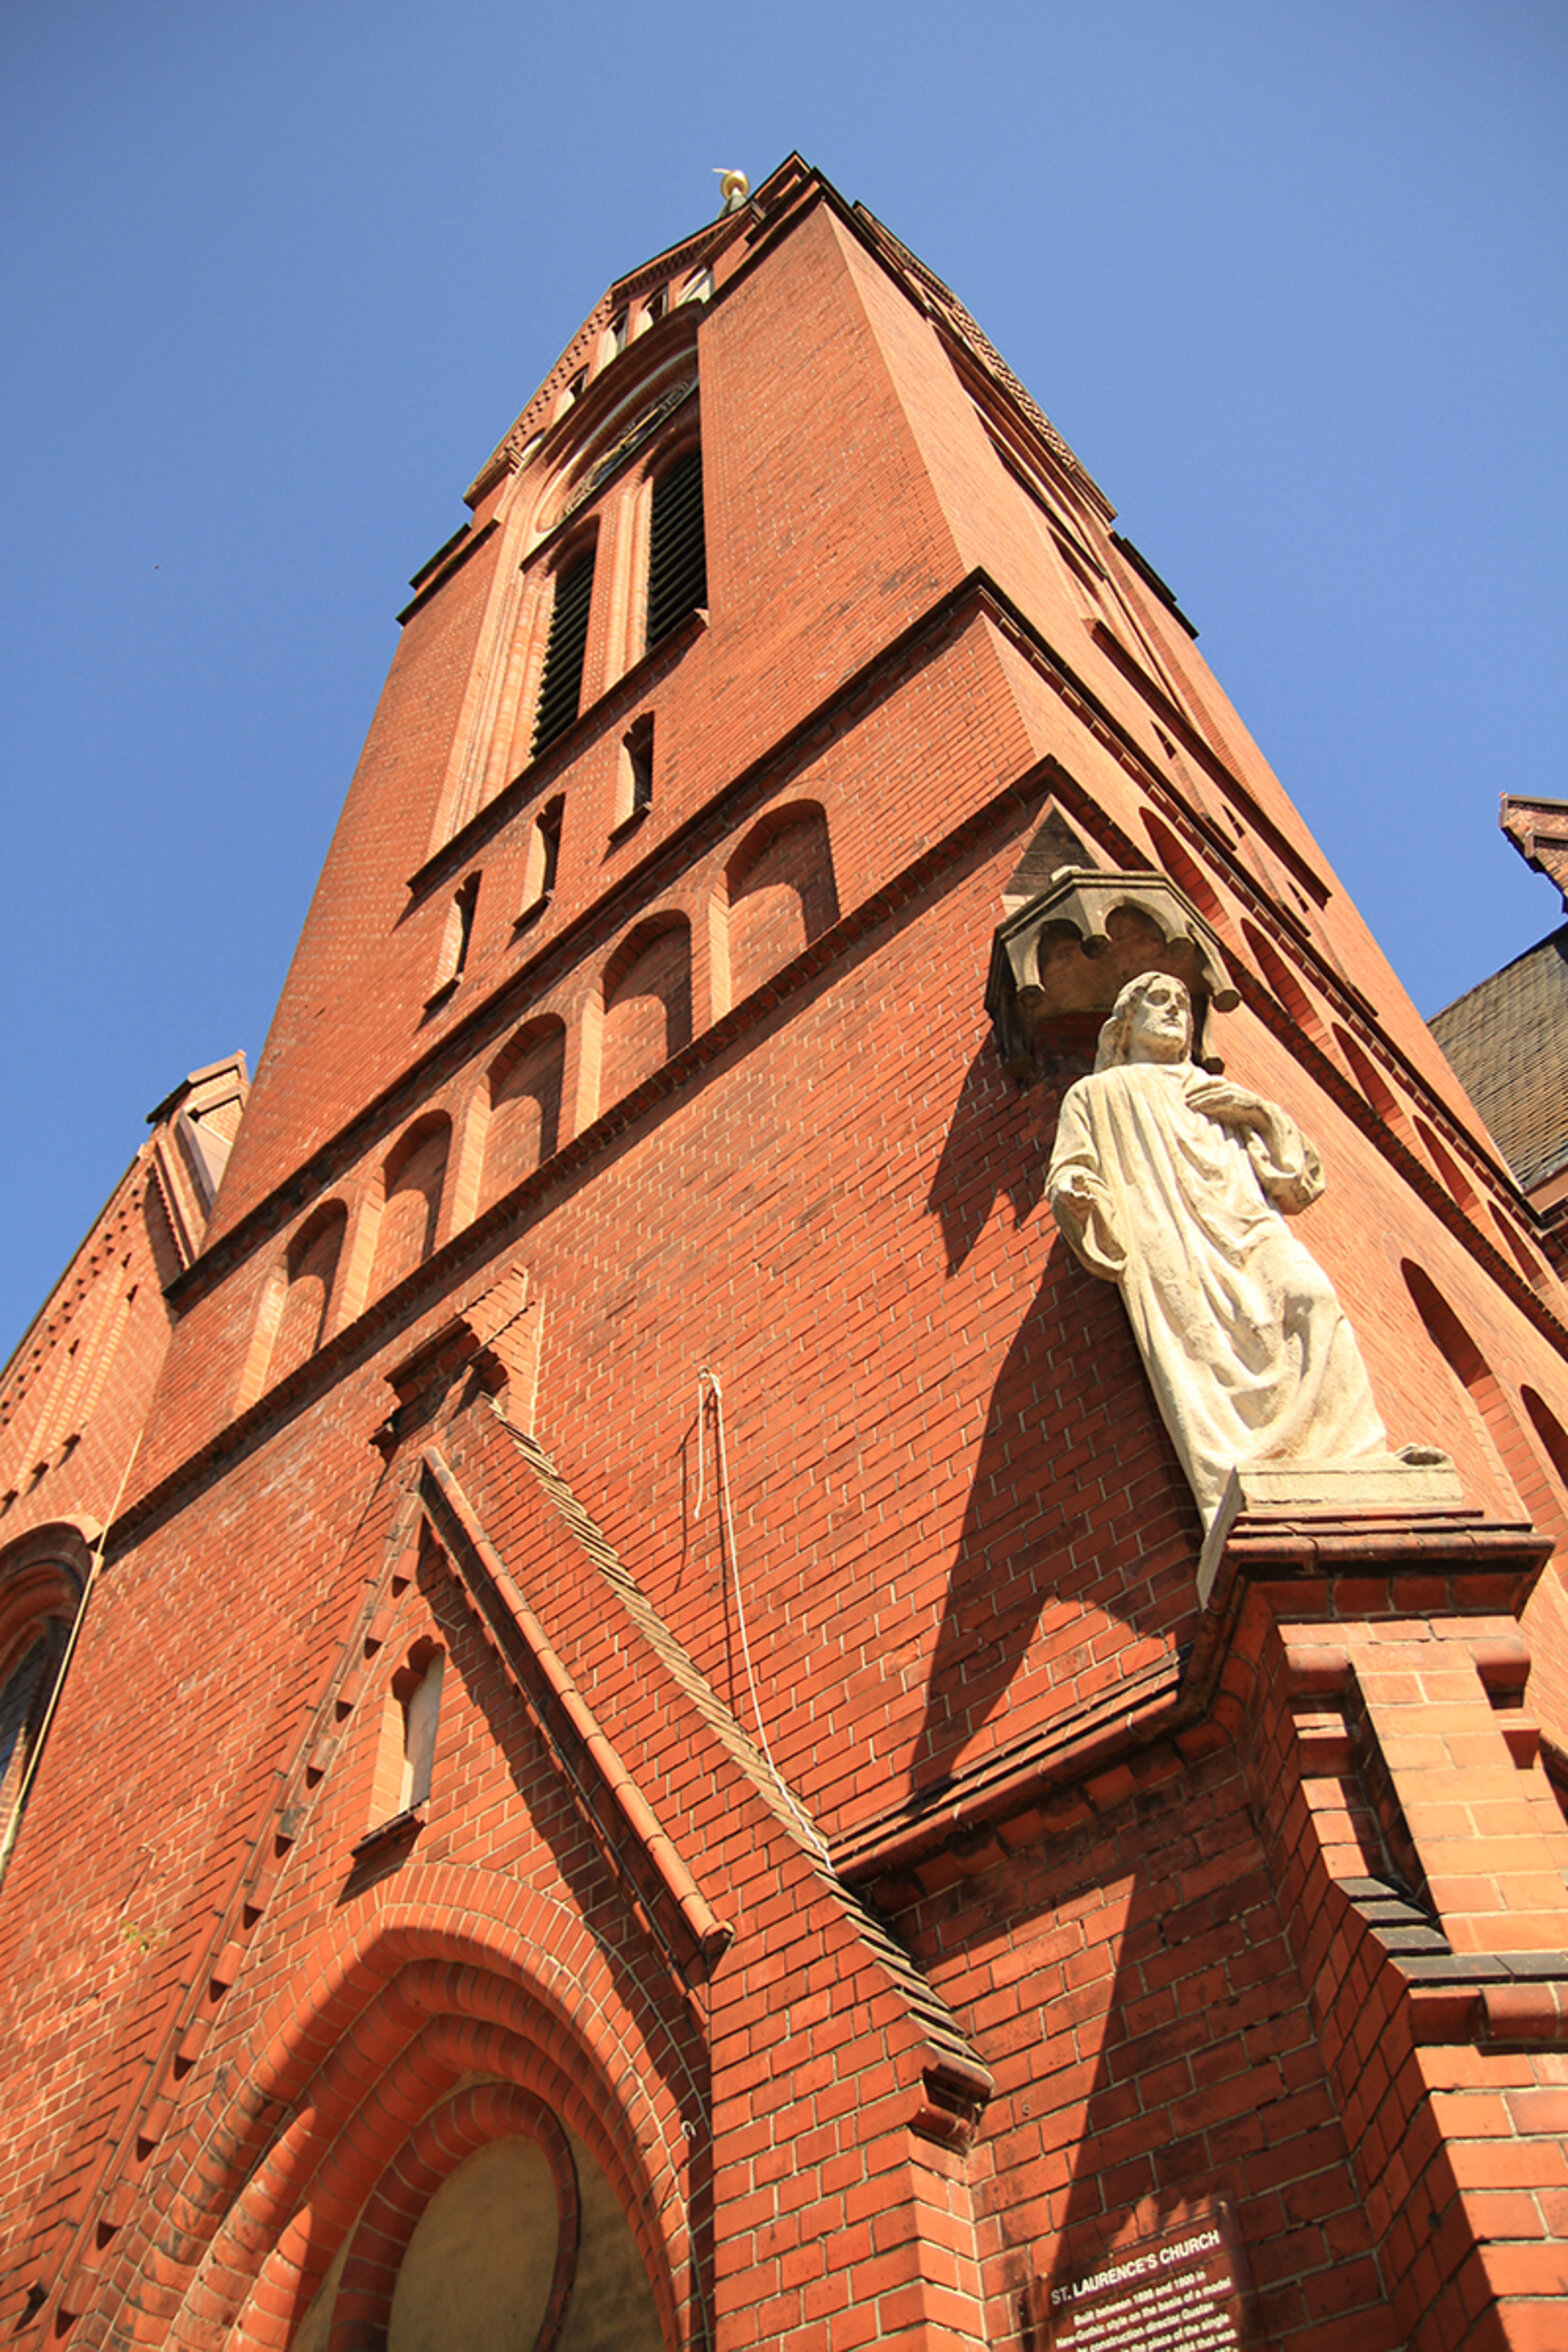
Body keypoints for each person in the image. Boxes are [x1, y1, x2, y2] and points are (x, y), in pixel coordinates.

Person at [1046, 970, 1399, 1524]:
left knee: (1313, 1298)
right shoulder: (1096, 1093)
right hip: (1175, 1239)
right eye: (1157, 1001)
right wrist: (1075, 1192)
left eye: (1182, 1004)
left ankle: (1354, 1452)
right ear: (1126, 1024)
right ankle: (1243, 1472)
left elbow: (1296, 1181)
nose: (1173, 1011)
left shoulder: (1215, 1091)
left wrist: (1256, 1112)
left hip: (1251, 1226)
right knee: (1202, 1348)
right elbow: (1073, 1167)